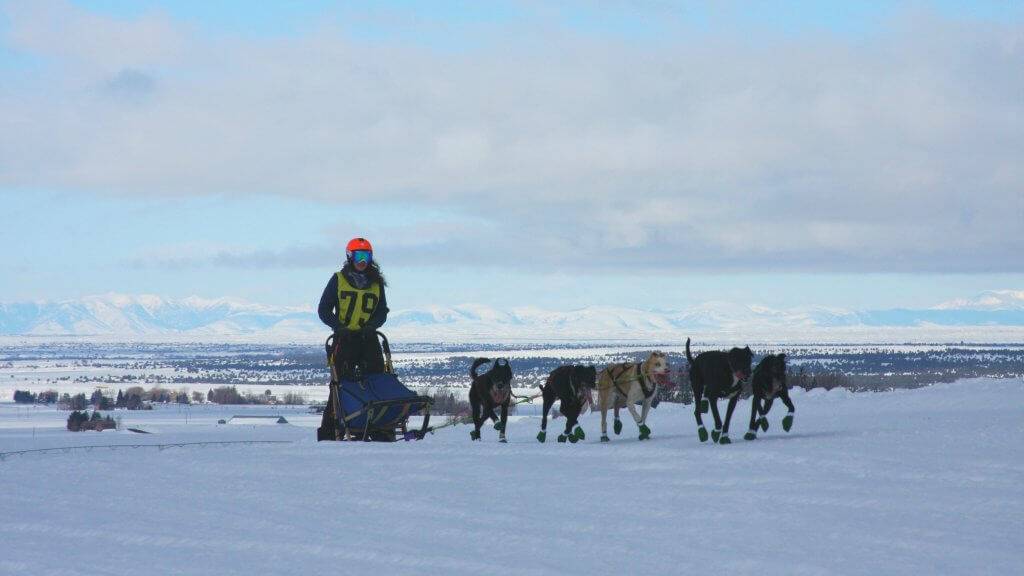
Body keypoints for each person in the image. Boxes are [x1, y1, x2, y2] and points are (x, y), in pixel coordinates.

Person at [318, 237, 389, 377]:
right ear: (350, 256)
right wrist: (338, 327)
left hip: (368, 338)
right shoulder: (338, 279)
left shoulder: (377, 283)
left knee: (377, 381)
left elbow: (382, 311)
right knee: (340, 385)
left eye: (366, 257)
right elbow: (324, 309)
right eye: (359, 256)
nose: (362, 261)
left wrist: (372, 326)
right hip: (344, 339)